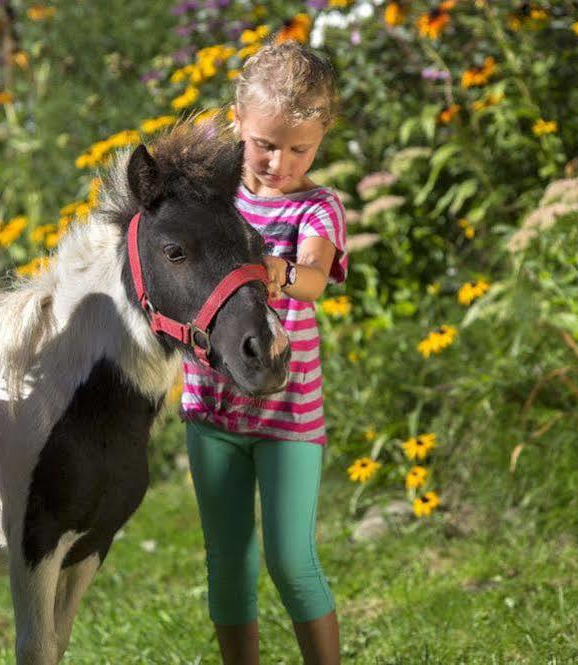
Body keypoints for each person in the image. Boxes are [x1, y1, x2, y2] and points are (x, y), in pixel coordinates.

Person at [181, 41, 347, 665]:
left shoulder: (316, 207)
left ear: (322, 137)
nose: (281, 162)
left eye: (300, 148)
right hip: (212, 409)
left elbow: (312, 277)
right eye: (265, 145)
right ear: (238, 124)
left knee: (289, 560)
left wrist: (271, 270)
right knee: (228, 561)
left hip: (289, 419)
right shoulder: (213, 200)